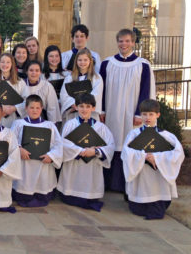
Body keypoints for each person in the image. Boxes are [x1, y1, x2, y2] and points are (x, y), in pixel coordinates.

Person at [100, 28, 155, 193]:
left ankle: (127, 183)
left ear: (133, 42)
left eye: (127, 41)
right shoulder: (107, 63)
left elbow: (146, 90)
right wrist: (101, 110)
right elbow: (100, 89)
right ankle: (110, 183)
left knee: (130, 143)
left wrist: (140, 114)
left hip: (133, 114)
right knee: (112, 141)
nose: (124, 44)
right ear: (117, 42)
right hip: (111, 111)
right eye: (121, 41)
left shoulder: (143, 65)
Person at [122, 99, 184, 219]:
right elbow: (126, 152)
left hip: (158, 177)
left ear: (158, 115)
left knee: (157, 209)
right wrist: (144, 156)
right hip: (141, 176)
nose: (147, 117)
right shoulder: (134, 134)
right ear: (141, 115)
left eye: (151, 114)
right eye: (144, 114)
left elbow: (178, 153)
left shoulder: (166, 135)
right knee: (138, 210)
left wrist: (157, 157)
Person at [58, 93, 115, 211]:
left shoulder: (101, 127)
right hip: (74, 164)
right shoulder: (70, 124)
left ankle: (90, 196)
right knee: (71, 193)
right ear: (76, 107)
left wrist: (96, 151)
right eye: (81, 106)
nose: (84, 109)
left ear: (93, 108)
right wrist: (81, 151)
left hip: (92, 166)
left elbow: (110, 146)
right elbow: (63, 143)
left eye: (88, 106)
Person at [11, 95, 63, 207]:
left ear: (42, 108)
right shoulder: (18, 124)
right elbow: (11, 142)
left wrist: (51, 156)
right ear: (26, 108)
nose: (34, 110)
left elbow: (58, 145)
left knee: (42, 185)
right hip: (25, 165)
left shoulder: (49, 125)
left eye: (37, 108)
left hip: (43, 164)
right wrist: (19, 149)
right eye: (31, 107)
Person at [60, 49, 103, 122]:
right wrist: (75, 105)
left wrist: (83, 107)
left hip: (90, 114)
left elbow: (96, 94)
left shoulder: (96, 78)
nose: (82, 62)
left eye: (85, 60)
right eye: (80, 60)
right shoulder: (70, 78)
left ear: (90, 61)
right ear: (76, 61)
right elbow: (64, 94)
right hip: (74, 112)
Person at [0, 53, 26, 128]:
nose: (5, 64)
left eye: (8, 62)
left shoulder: (20, 82)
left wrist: (14, 108)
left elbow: (26, 100)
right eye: (2, 62)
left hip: (14, 118)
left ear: (12, 64)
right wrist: (0, 108)